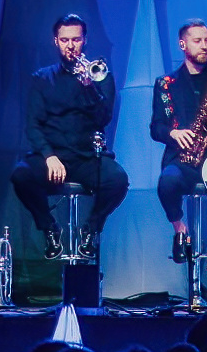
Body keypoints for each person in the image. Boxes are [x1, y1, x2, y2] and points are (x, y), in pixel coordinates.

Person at [10, 15, 127, 260]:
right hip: (53, 156)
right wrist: (49, 156)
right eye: (65, 40)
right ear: (56, 41)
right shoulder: (42, 78)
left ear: (85, 40)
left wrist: (90, 87)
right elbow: (33, 125)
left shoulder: (100, 76)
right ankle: (49, 228)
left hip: (87, 157)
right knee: (21, 175)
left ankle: (91, 230)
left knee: (118, 180)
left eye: (76, 40)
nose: (71, 46)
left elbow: (104, 118)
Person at [151, 20, 207, 263]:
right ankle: (180, 230)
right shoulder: (165, 84)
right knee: (167, 182)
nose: (204, 46)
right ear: (183, 45)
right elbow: (156, 127)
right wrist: (173, 134)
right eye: (197, 41)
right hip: (182, 159)